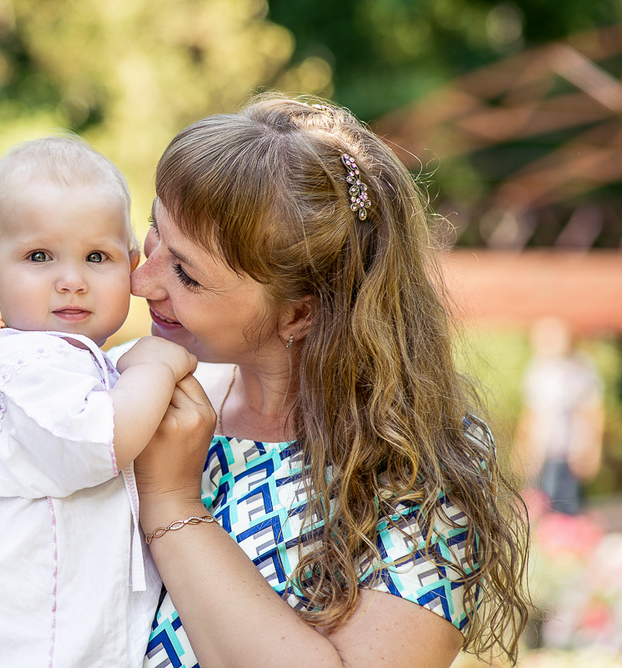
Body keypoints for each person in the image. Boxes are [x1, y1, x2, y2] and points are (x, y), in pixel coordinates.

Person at [124, 94, 532, 667]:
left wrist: (172, 505)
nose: (140, 281)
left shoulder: (419, 475)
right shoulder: (139, 391)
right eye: (153, 230)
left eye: (186, 273)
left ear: (299, 314)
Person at [0, 136, 196, 667]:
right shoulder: (32, 362)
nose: (71, 281)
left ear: (132, 267)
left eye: (97, 256)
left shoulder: (82, 367)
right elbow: (97, 442)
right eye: (39, 256)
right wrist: (159, 363)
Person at [517, 317, 604, 516]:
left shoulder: (581, 368)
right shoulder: (537, 369)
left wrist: (593, 449)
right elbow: (531, 411)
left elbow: (593, 410)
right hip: (541, 449)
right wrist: (522, 448)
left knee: (566, 505)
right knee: (537, 503)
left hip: (570, 450)